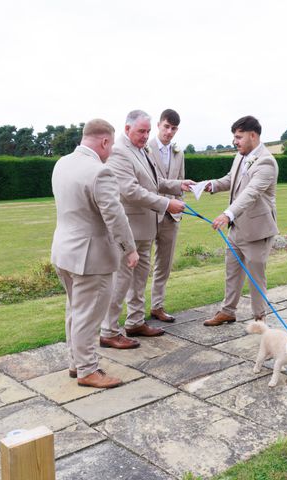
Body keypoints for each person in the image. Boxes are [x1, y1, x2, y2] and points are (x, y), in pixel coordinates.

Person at [51, 119, 139, 388]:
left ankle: (75, 362)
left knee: (74, 310)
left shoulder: (62, 163)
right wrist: (130, 250)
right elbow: (115, 216)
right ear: (104, 141)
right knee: (88, 316)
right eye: (110, 145)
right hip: (92, 257)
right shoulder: (100, 172)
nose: (110, 151)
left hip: (63, 252)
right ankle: (88, 370)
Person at [100, 110, 194, 344]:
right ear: (127, 128)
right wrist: (166, 204)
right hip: (129, 230)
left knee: (140, 279)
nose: (145, 136)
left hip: (146, 229)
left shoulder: (142, 150)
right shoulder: (119, 152)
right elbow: (130, 190)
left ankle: (135, 322)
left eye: (148, 131)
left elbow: (155, 182)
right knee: (121, 281)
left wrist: (178, 184)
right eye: (141, 131)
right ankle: (108, 331)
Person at [203, 115, 279, 326]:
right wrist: (210, 185)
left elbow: (251, 193)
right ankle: (228, 311)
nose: (235, 141)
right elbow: (231, 180)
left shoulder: (266, 162)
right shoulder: (241, 156)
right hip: (237, 228)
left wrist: (227, 214)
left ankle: (259, 318)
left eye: (239, 137)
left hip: (257, 230)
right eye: (234, 137)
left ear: (253, 135)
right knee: (232, 272)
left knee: (256, 278)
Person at [147, 109, 185, 322]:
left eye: (173, 128)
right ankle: (134, 313)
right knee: (141, 265)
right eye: (166, 127)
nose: (169, 132)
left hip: (172, 218)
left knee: (165, 264)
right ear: (159, 125)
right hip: (148, 214)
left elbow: (179, 182)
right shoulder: (145, 148)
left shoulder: (180, 152)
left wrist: (181, 206)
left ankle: (157, 306)